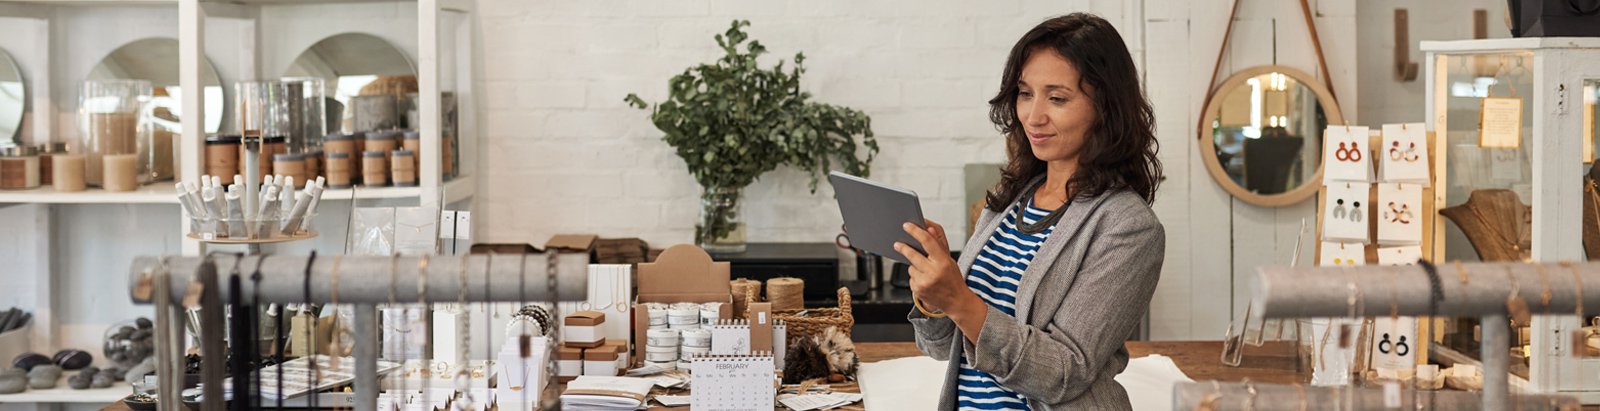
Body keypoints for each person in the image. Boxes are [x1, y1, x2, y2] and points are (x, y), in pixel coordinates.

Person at [897, 13, 1165, 410]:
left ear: (1106, 108)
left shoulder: (1129, 228)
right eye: (1025, 93)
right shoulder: (1009, 201)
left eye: (1057, 98)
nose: (1033, 116)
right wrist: (934, 294)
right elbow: (943, 349)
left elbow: (1062, 372)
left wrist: (959, 300)